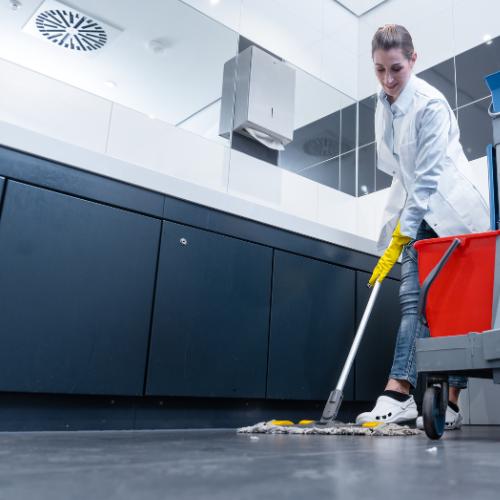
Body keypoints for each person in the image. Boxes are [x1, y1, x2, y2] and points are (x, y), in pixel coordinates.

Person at [355, 24, 489, 430]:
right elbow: (400, 171)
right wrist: (393, 234)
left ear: (413, 59)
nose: (388, 79)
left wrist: (404, 229)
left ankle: (451, 403)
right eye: (380, 70)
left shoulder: (430, 104)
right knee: (412, 302)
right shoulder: (383, 105)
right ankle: (399, 393)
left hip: (453, 217)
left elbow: (428, 178)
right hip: (416, 214)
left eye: (395, 68)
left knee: (455, 311)